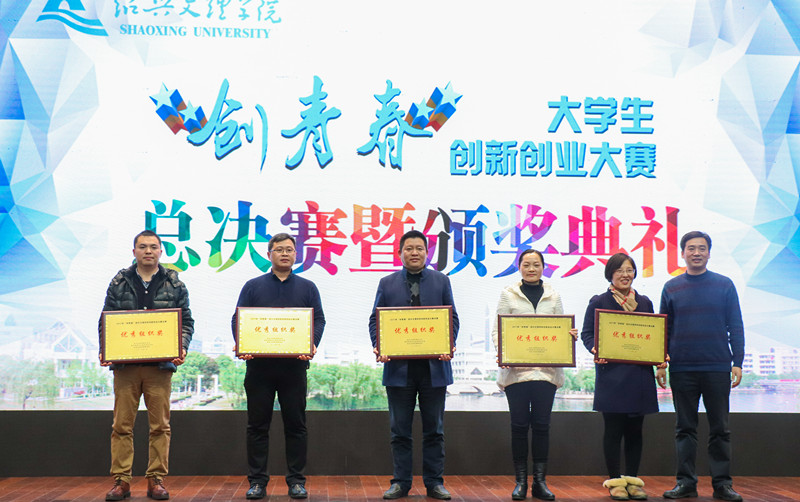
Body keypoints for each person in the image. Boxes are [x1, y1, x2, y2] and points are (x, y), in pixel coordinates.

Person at [99, 230, 194, 501]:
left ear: (161, 251)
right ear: (134, 252)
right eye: (142, 247)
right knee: (121, 426)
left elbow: (186, 322)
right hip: (126, 368)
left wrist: (181, 347)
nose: (148, 251)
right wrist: (105, 349)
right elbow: (106, 319)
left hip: (159, 367)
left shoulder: (174, 283)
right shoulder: (119, 282)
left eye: (153, 246)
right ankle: (121, 480)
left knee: (160, 427)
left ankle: (156, 480)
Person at [232, 233, 326, 500]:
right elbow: (238, 319)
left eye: (289, 250)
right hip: (259, 369)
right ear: (269, 254)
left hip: (294, 368)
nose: (285, 254)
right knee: (257, 427)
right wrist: (242, 344)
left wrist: (311, 343)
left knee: (296, 426)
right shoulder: (253, 286)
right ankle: (257, 482)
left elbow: (319, 319)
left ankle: (296, 481)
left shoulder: (308, 287)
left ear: (296, 255)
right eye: (279, 250)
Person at [368, 230, 459, 500]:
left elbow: (452, 318)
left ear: (427, 253)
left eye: (419, 248)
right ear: (400, 253)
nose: (414, 252)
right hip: (399, 369)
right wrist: (380, 345)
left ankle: (434, 483)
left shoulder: (441, 281)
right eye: (409, 248)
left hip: (434, 368)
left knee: (435, 430)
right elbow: (375, 320)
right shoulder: (386, 283)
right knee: (400, 432)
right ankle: (401, 482)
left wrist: (448, 343)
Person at [658, 231, 745, 501]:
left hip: (717, 366)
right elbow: (663, 329)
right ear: (682, 253)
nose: (696, 253)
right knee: (685, 428)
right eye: (691, 248)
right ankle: (686, 483)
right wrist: (660, 363)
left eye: (702, 248)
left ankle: (722, 485)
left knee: (720, 429)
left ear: (709, 253)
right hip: (682, 368)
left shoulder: (724, 285)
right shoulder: (671, 287)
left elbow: (735, 324)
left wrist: (738, 362)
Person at [491, 249, 578, 501]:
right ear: (519, 267)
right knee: (519, 427)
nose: (531, 269)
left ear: (543, 267)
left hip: (546, 373)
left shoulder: (553, 295)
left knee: (541, 427)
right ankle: (520, 482)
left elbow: (561, 327)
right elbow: (498, 330)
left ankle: (540, 483)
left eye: (536, 264)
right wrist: (504, 353)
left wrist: (569, 336)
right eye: (526, 264)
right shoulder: (508, 294)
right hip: (516, 374)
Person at [580, 253, 660, 500]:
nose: (625, 275)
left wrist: (659, 356)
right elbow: (586, 334)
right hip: (612, 376)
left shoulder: (645, 303)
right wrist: (595, 349)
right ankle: (615, 481)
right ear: (610, 274)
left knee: (636, 431)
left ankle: (633, 482)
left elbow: (655, 335)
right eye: (620, 270)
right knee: (613, 431)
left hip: (639, 376)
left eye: (630, 270)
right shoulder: (599, 301)